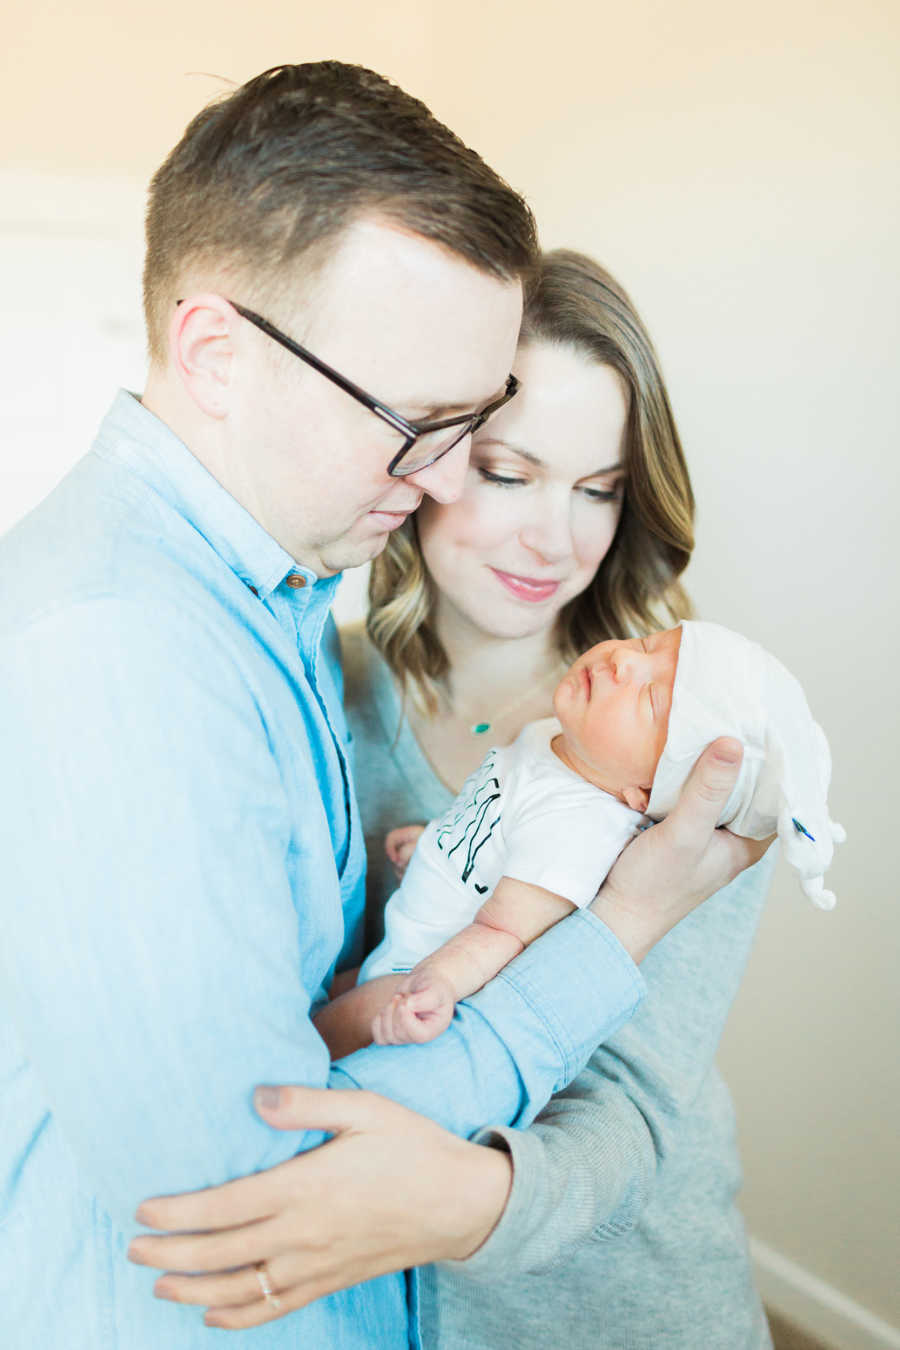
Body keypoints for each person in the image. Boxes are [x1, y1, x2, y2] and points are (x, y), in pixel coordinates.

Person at [0, 70, 764, 1350]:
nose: (462, 480)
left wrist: (461, 1199)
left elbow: (637, 1103)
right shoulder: (200, 653)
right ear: (214, 354)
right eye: (443, 430)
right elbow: (258, 1166)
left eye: (596, 487)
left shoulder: (676, 726)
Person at [318, 618, 842, 1055]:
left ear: (645, 791)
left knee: (318, 1034)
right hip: (405, 941)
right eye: (646, 644)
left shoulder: (578, 829)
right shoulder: (556, 742)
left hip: (422, 974)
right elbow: (501, 819)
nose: (624, 663)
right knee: (315, 992)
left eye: (651, 701)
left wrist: (437, 986)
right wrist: (439, 844)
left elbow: (504, 934)